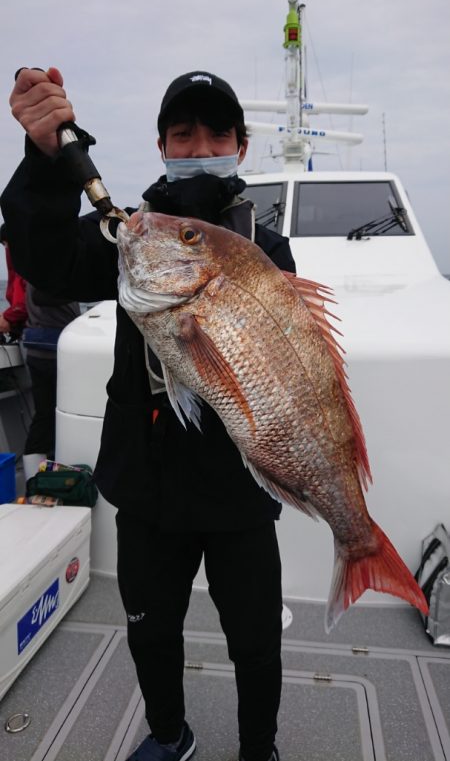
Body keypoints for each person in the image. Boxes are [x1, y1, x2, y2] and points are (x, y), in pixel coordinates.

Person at [1, 67, 296, 761]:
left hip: (240, 489)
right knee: (151, 630)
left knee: (256, 639)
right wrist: (44, 159)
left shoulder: (268, 248)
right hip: (148, 486)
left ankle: (259, 749)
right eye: (182, 134)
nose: (200, 149)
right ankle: (170, 735)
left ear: (241, 147)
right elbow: (45, 258)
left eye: (217, 135)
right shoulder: (132, 234)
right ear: (161, 146)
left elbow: (288, 365)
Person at [21, 283, 80, 480]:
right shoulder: (50, 277)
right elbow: (41, 296)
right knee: (53, 417)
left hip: (42, 351)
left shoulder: (41, 274)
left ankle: (37, 480)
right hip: (55, 355)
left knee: (46, 416)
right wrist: (84, 291)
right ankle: (36, 482)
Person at [0, 222, 27, 342]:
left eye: (6, 244)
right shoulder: (18, 270)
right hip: (24, 330)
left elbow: (28, 303)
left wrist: (7, 317)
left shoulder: (29, 268)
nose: (6, 249)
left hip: (37, 334)